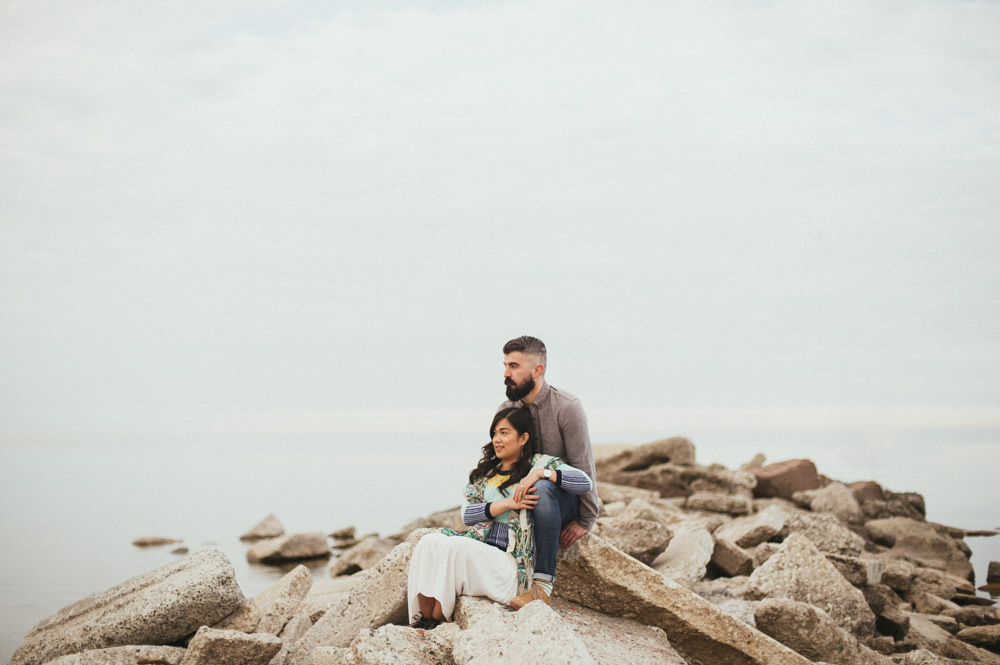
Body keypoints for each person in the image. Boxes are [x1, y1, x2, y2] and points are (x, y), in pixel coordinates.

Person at [407, 406, 594, 628]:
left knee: (452, 548)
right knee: (429, 541)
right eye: (495, 433)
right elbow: (468, 515)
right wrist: (508, 504)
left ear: (523, 438)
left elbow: (585, 482)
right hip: (485, 549)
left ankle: (437, 621)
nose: (497, 439)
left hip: (512, 565)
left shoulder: (540, 464)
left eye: (504, 433)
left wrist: (540, 474)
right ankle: (423, 620)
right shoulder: (486, 474)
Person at [498, 335, 599, 609]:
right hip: (525, 499)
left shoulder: (567, 406)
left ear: (537, 370)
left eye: (514, 366)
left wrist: (586, 519)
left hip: (563, 496)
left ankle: (541, 586)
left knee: (542, 487)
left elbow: (583, 467)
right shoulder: (507, 410)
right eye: (505, 365)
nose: (506, 373)